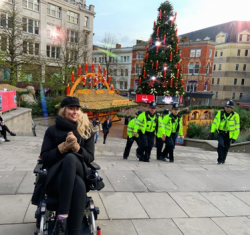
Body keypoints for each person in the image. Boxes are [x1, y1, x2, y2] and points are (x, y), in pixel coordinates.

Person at [40, 97, 95, 235]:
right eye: (71, 108)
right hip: (58, 174)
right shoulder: (52, 131)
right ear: (64, 111)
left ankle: (62, 216)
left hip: (80, 169)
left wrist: (77, 148)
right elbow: (45, 158)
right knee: (78, 185)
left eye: (77, 109)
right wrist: (62, 148)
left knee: (71, 157)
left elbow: (90, 158)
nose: (75, 112)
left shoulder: (86, 130)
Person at [210, 100, 240, 164]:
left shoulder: (235, 116)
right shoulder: (220, 113)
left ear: (231, 108)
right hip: (221, 133)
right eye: (226, 107)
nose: (227, 108)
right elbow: (214, 123)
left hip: (229, 134)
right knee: (220, 145)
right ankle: (220, 160)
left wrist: (234, 137)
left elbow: (237, 128)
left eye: (228, 107)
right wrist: (212, 132)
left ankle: (223, 159)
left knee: (226, 148)